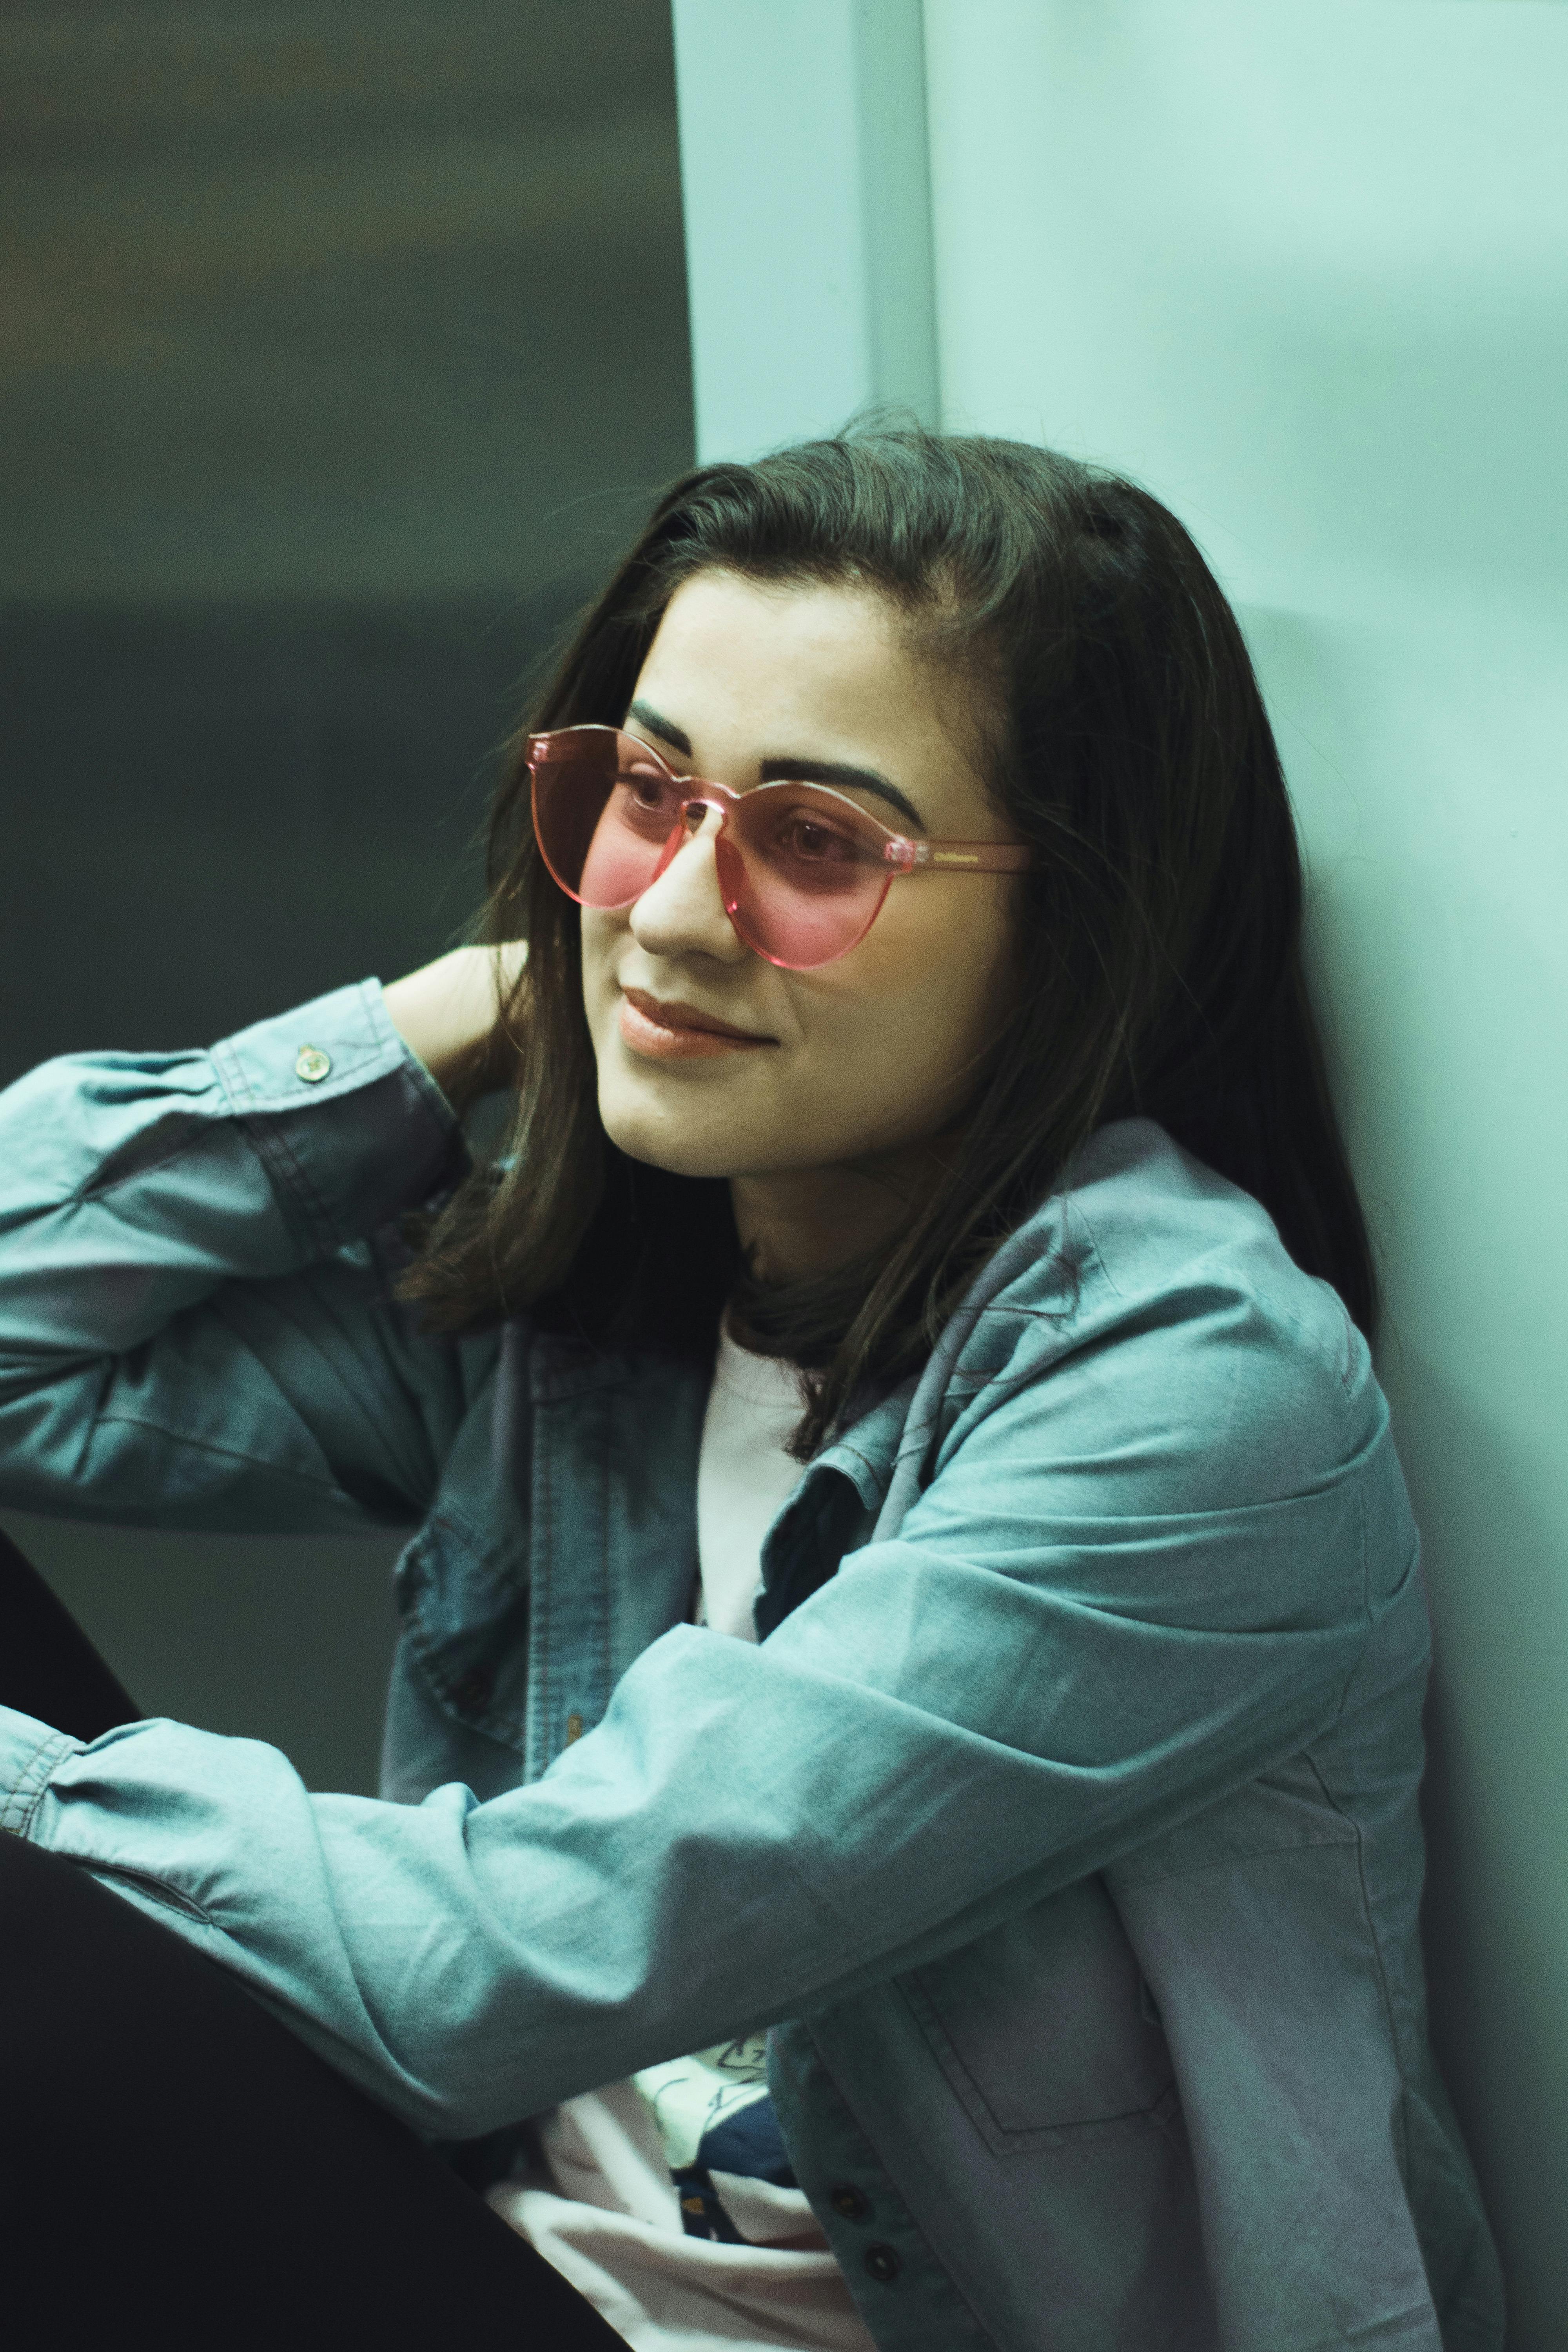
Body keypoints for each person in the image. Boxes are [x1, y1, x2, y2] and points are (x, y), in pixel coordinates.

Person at [0, 429, 1504, 2351]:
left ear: (1073, 928)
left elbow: (505, 1963)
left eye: (814, 843)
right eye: (647, 793)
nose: (677, 911)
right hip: (495, 2255)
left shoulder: (1192, 1391)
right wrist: (482, 1005)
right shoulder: (619, 1297)